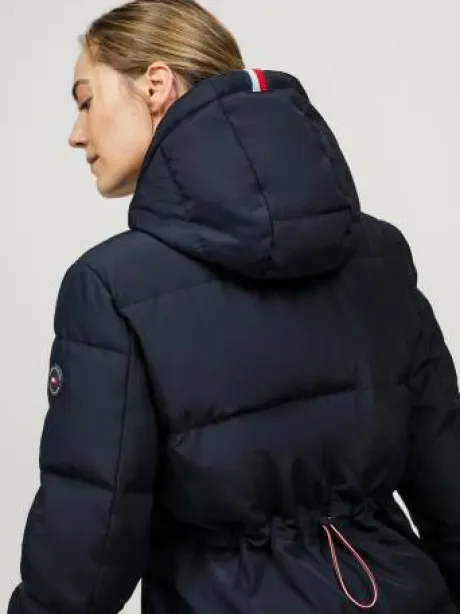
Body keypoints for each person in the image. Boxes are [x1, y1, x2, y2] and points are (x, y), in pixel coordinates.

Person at [7, 0, 460, 613]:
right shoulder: (380, 255)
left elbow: (86, 551)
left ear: (156, 85)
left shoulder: (109, 287)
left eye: (86, 100)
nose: (76, 132)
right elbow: (449, 487)